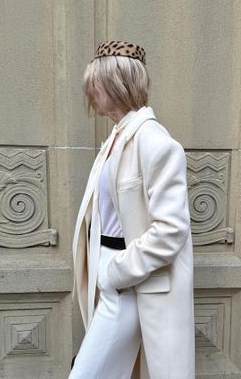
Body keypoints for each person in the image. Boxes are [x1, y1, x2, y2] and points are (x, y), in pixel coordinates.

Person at [69, 41, 195, 379]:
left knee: (87, 374)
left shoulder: (155, 142)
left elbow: (170, 231)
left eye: (95, 82)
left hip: (131, 278)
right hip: (116, 273)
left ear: (117, 83)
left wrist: (114, 274)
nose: (90, 91)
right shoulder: (116, 137)